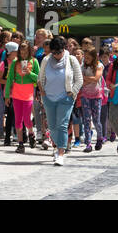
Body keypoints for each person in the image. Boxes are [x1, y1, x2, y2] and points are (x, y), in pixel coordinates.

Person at [38, 36, 82, 165]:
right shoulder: (46, 60)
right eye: (54, 52)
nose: (57, 55)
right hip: (48, 97)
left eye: (59, 52)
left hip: (65, 98)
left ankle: (61, 153)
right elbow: (40, 78)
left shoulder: (71, 60)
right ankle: (57, 148)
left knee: (62, 125)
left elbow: (79, 80)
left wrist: (72, 94)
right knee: (52, 126)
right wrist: (43, 93)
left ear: (64, 49)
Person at [5, 41, 38, 153]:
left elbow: (38, 79)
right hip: (16, 93)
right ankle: (20, 144)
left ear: (29, 51)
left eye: (26, 52)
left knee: (27, 119)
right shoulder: (15, 62)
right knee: (18, 119)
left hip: (28, 93)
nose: (23, 54)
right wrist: (7, 95)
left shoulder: (34, 61)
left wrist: (30, 73)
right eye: (21, 52)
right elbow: (9, 78)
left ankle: (31, 134)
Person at [76, 46, 105, 152]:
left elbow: (96, 78)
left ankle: (99, 138)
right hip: (85, 96)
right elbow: (81, 81)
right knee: (86, 120)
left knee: (96, 120)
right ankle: (88, 143)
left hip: (97, 96)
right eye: (85, 57)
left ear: (93, 57)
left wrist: (86, 79)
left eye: (88, 57)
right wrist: (89, 80)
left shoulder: (99, 65)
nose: (86, 59)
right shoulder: (82, 66)